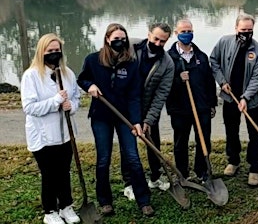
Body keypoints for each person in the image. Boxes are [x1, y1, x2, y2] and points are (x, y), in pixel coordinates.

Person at [77, 23, 154, 217]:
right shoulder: (93, 60)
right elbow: (82, 79)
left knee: (133, 158)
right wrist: (90, 86)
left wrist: (136, 121)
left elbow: (135, 95)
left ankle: (143, 200)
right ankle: (105, 201)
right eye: (116, 39)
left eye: (123, 39)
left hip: (124, 117)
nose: (120, 42)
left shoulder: (131, 64)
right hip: (101, 116)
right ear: (107, 39)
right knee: (103, 159)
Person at [20, 33, 81, 224]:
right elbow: (29, 108)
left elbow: (76, 96)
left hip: (65, 134)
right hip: (43, 136)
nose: (54, 54)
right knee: (49, 173)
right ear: (41, 52)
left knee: (64, 171)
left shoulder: (67, 73)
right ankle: (50, 211)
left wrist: (71, 106)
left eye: (57, 50)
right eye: (50, 51)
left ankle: (66, 206)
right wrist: (55, 101)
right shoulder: (31, 76)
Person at [210, 14, 258, 186]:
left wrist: (245, 98)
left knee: (255, 134)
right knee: (231, 130)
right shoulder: (224, 42)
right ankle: (233, 161)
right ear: (236, 29)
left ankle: (254, 168)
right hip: (229, 97)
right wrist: (221, 82)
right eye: (243, 30)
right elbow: (214, 61)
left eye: (249, 30)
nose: (246, 33)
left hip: (252, 100)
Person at [121, 23, 174, 201]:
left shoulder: (167, 63)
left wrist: (149, 119)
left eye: (163, 41)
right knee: (128, 146)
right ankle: (129, 183)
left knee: (153, 142)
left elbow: (162, 95)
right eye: (156, 39)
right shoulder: (130, 46)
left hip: (149, 107)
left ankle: (155, 177)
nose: (158, 43)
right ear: (149, 34)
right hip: (127, 106)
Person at [166, 19, 217, 182]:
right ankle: (182, 173)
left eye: (189, 31)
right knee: (181, 141)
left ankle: (202, 170)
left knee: (203, 139)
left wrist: (212, 103)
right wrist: (178, 78)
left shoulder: (201, 56)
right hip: (180, 109)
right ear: (176, 33)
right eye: (183, 31)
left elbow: (209, 81)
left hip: (201, 106)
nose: (186, 34)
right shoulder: (168, 58)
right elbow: (164, 85)